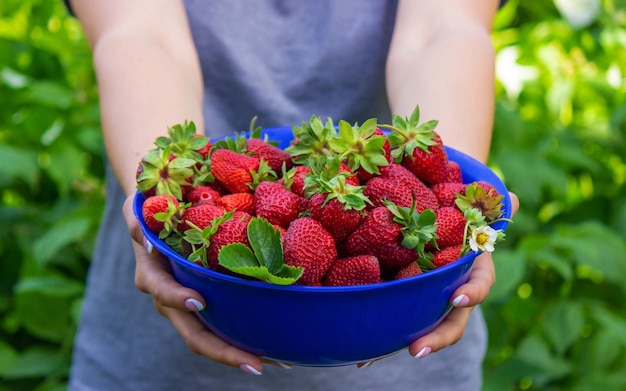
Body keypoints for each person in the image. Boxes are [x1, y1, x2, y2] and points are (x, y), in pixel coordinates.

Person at [64, 0, 519, 390]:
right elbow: (141, 35)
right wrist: (165, 197)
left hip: (412, 331)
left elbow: (442, 31)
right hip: (164, 349)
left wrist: (458, 212)